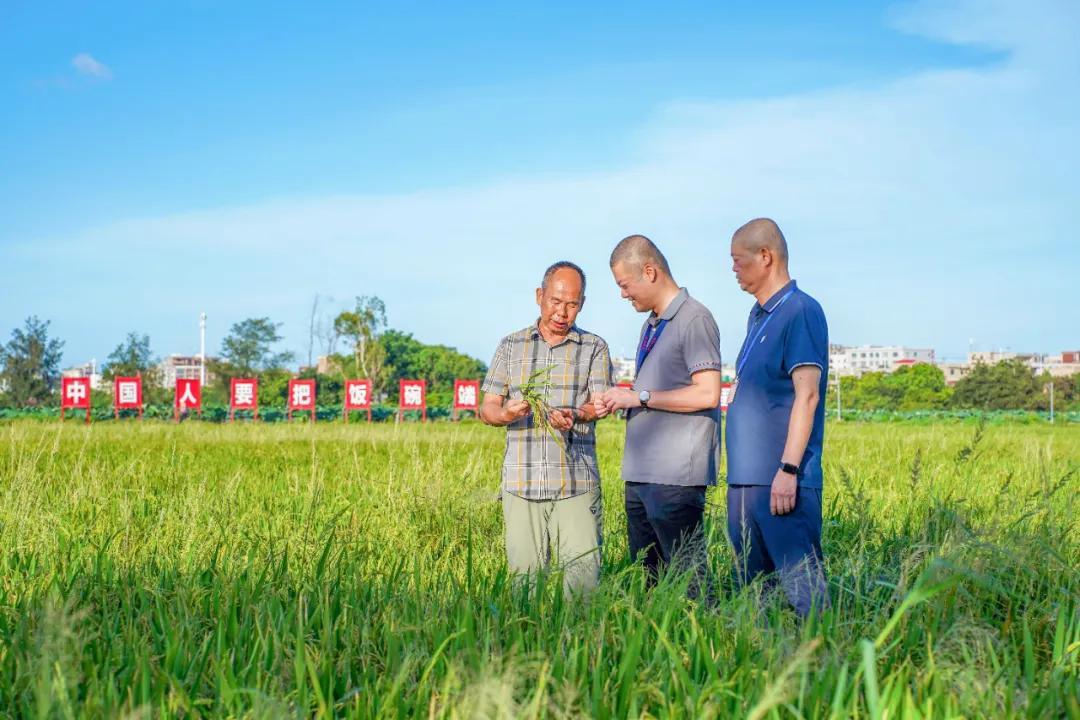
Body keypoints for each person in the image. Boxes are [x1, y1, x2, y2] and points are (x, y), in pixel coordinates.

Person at [479, 261, 613, 595]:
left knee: (582, 587)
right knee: (523, 588)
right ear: (540, 296)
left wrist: (575, 414)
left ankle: (579, 631)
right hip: (521, 480)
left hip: (575, 481)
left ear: (582, 304)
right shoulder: (511, 346)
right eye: (555, 301)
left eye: (572, 304)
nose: (562, 312)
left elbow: (599, 406)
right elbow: (487, 408)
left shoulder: (594, 347)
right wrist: (506, 414)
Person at [599, 235, 722, 591]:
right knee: (649, 581)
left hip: (675, 478)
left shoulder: (694, 319)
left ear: (650, 272)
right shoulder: (653, 324)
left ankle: (706, 628)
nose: (623, 294)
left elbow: (708, 392)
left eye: (625, 285)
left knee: (688, 580)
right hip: (641, 474)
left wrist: (639, 397)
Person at [725, 217, 830, 617]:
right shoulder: (758, 316)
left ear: (765, 256)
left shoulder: (800, 311)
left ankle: (820, 650)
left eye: (738, 260)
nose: (733, 269)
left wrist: (788, 469)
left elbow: (808, 395)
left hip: (781, 483)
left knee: (803, 592)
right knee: (755, 597)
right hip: (745, 483)